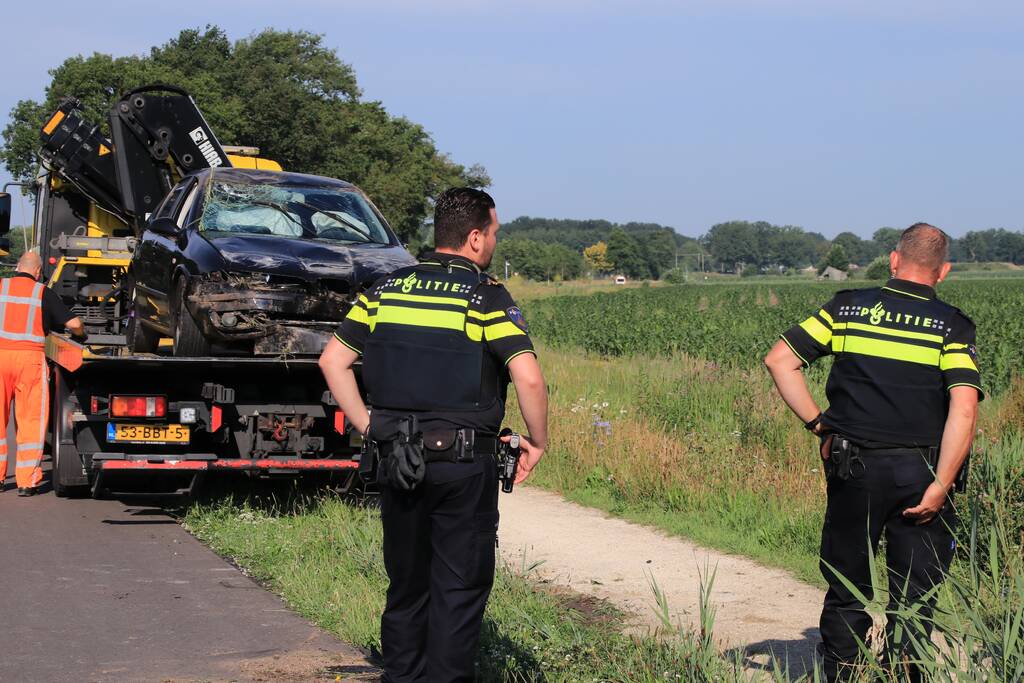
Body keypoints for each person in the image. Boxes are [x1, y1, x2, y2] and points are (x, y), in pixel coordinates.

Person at [319, 187, 548, 682]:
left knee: (407, 585)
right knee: (458, 589)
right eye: (494, 233)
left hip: (395, 459)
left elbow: (333, 360)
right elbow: (528, 377)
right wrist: (538, 441)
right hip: (463, 466)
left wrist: (369, 427)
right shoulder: (485, 296)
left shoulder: (383, 290)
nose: (494, 242)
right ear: (474, 237)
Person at [763, 223, 980, 683]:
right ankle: (907, 672)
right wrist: (941, 485)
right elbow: (964, 409)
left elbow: (779, 359)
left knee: (848, 584)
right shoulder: (951, 325)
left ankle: (843, 672)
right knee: (916, 593)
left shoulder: (846, 308)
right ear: (943, 271)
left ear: (894, 260)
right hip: (921, 472)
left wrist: (817, 423)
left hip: (853, 467)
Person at [0, 252, 84, 495]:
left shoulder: (2, 286)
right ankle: (27, 482)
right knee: (31, 420)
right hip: (30, 362)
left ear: (17, 266)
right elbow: (74, 324)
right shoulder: (42, 293)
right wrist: (82, 334)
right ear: (38, 272)